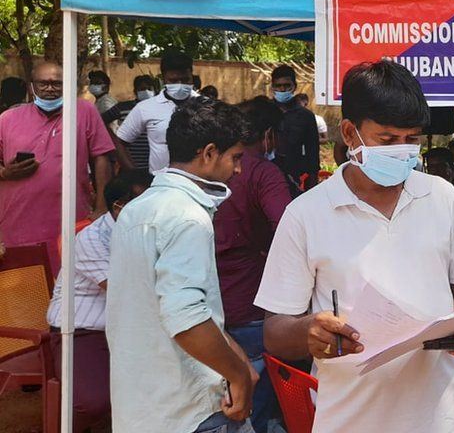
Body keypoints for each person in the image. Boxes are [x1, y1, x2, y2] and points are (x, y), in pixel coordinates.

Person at [257, 60, 454, 433]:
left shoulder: (442, 197)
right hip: (351, 420)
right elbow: (274, 332)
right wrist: (310, 332)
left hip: (445, 418)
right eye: (387, 140)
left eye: (411, 139)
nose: (402, 150)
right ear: (350, 133)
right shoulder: (305, 214)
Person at [106, 98, 256, 433]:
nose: (238, 170)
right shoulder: (188, 218)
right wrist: (238, 374)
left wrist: (236, 355)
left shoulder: (137, 210)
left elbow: (168, 305)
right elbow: (186, 318)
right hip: (194, 409)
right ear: (209, 153)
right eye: (235, 158)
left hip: (145, 406)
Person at [47, 170, 153, 433]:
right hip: (82, 330)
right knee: (93, 402)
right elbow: (126, 291)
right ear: (120, 207)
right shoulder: (90, 239)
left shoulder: (148, 229)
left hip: (128, 326)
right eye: (148, 202)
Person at [214, 96, 293, 433]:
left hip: (209, 307)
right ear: (269, 135)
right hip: (251, 302)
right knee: (252, 407)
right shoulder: (263, 172)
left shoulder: (207, 168)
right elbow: (289, 229)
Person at [0, 62, 114, 272]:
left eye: (57, 84)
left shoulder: (83, 111)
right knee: (27, 292)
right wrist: (6, 172)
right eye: (43, 83)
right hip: (17, 224)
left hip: (70, 221)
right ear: (31, 86)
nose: (50, 89)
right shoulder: (7, 119)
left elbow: (102, 157)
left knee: (69, 290)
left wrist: (101, 206)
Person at [115, 49, 197, 172]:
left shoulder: (206, 106)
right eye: (173, 81)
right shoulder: (145, 108)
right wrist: (135, 176)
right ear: (163, 79)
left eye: (185, 80)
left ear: (192, 76)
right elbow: (120, 142)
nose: (180, 85)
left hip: (199, 187)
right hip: (160, 185)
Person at [269, 65, 319, 193]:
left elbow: (312, 151)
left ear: (294, 86)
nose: (282, 89)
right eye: (278, 86)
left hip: (294, 174)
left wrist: (312, 187)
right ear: (272, 87)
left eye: (286, 85)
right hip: (267, 172)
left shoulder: (306, 116)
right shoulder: (264, 111)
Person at [102, 74, 156, 170]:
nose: (146, 91)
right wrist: (114, 138)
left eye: (149, 89)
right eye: (142, 89)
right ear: (135, 91)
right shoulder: (123, 107)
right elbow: (101, 120)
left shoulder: (159, 109)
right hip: (130, 163)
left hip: (154, 165)